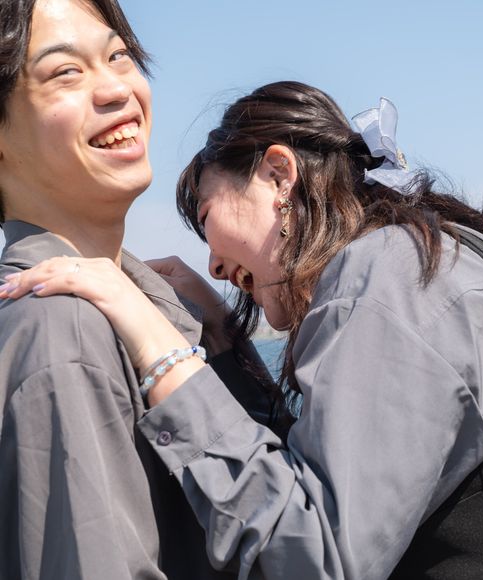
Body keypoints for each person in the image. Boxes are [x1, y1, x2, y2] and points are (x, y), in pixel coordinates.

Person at [4, 81, 483, 579]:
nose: (213, 265)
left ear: (280, 176)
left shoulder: (388, 276)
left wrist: (158, 345)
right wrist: (223, 341)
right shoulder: (431, 255)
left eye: (206, 217)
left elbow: (316, 557)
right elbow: (318, 471)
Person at [0, 1, 279, 578]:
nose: (115, 89)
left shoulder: (142, 307)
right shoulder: (64, 329)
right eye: (65, 72)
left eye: (118, 56)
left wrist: (220, 338)